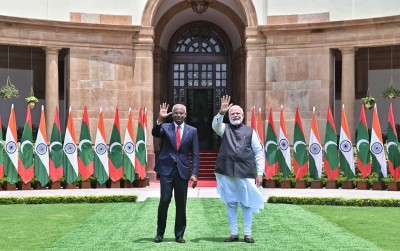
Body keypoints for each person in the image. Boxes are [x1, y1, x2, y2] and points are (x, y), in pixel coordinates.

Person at [212, 95, 265, 244]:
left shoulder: (250, 131)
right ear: (229, 116)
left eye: (237, 113)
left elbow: (259, 152)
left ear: (242, 115)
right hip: (227, 171)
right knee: (231, 202)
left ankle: (247, 234)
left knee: (246, 202)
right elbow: (215, 126)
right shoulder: (224, 128)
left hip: (245, 171)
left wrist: (260, 173)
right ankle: (233, 233)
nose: (235, 115)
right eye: (232, 113)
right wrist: (221, 112)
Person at [152, 102, 199, 244]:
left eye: (181, 113)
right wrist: (160, 119)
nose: (178, 115)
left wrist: (195, 173)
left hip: (182, 171)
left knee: (181, 203)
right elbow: (155, 132)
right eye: (176, 112)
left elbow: (195, 154)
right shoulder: (165, 127)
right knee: (165, 200)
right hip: (167, 170)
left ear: (185, 115)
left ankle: (179, 234)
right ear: (172, 114)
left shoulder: (192, 130)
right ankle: (160, 233)